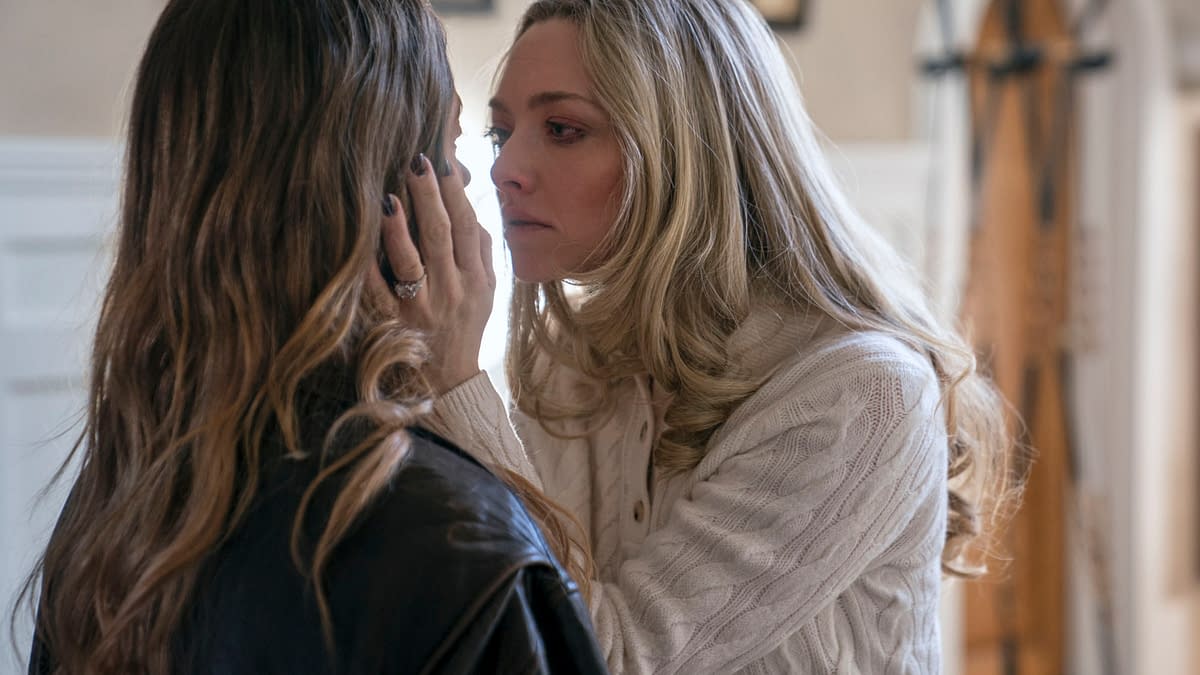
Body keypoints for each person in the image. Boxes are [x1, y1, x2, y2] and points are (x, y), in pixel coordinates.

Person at [391, 0, 1020, 672]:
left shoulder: (860, 392)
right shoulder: (570, 360)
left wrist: (455, 378)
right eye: (501, 133)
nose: (504, 168)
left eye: (563, 129)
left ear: (687, 149)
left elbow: (606, 657)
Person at [19, 1, 606, 673]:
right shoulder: (459, 544)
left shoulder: (118, 502)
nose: (475, 181)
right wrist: (455, 388)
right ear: (397, 197)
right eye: (451, 149)